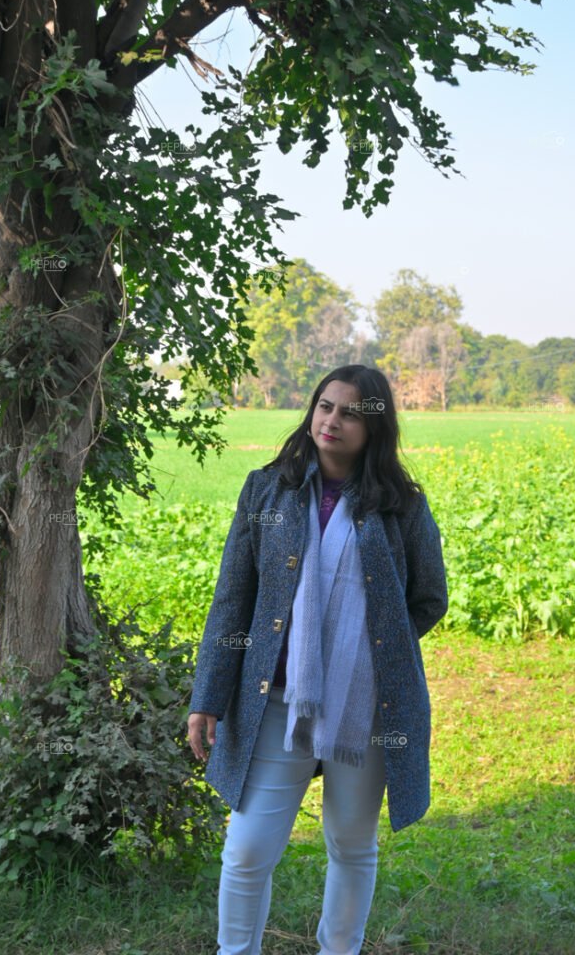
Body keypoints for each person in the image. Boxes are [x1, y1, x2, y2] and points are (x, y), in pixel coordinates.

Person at [187, 364, 448, 955]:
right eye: (325, 406)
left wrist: (373, 649)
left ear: (373, 426)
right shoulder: (265, 489)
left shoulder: (401, 505)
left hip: (367, 706)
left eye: (350, 412)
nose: (332, 420)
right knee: (248, 848)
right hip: (277, 699)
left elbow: (429, 597)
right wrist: (206, 696)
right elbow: (234, 597)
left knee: (352, 843)